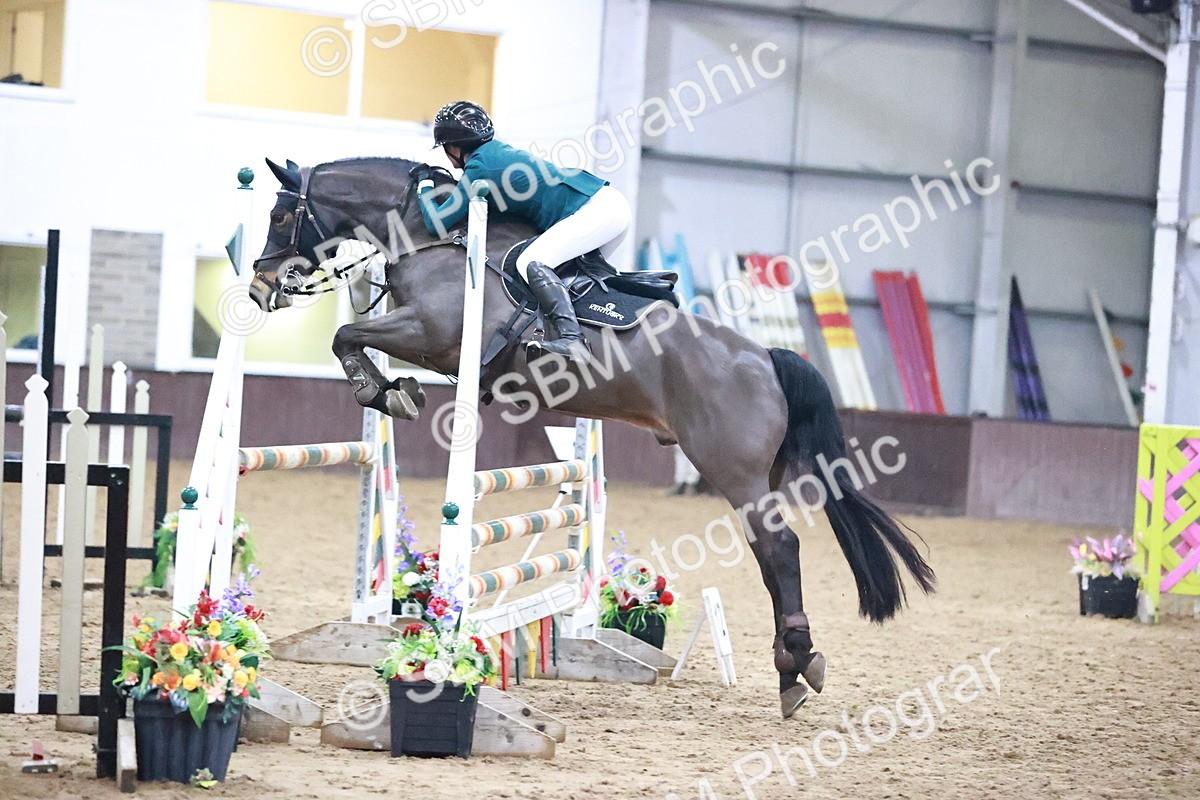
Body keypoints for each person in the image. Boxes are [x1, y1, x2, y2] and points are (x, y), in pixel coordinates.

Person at [412, 100, 631, 363]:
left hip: (598, 211)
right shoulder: (493, 154)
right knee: (570, 280)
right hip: (607, 206)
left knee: (531, 262)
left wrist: (424, 184)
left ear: (454, 147)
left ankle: (573, 340)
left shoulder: (481, 167)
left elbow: (436, 223)